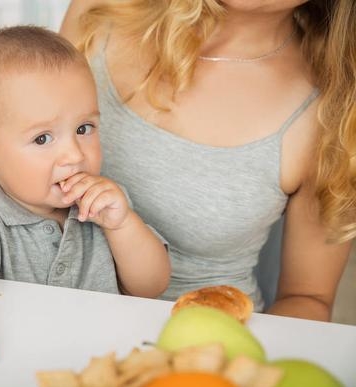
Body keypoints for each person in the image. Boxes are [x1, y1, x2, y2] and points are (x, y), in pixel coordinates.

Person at [0, 25, 170, 376]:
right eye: (43, 138)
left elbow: (151, 287)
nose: (74, 154)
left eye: (84, 128)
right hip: (5, 366)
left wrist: (123, 225)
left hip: (102, 366)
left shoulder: (103, 202)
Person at [60, 0, 355, 322]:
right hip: (45, 317)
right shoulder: (99, 10)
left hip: (200, 349)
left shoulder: (333, 115)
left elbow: (306, 297)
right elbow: (4, 166)